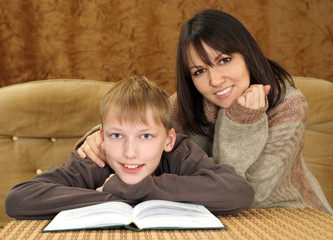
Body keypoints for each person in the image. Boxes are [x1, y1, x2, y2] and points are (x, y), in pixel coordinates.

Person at [76, 10, 333, 215]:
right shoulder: (187, 103)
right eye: (199, 71)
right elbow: (144, 122)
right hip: (205, 215)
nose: (216, 80)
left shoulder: (289, 104)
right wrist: (99, 138)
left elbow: (251, 194)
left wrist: (241, 121)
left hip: (290, 213)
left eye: (224, 60)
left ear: (247, 54)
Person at [5, 76, 254, 220]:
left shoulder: (179, 152)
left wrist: (140, 187)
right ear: (101, 137)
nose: (130, 152)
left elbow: (239, 192)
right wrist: (121, 197)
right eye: (117, 135)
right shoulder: (95, 159)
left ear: (168, 140)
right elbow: (19, 199)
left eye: (145, 136)